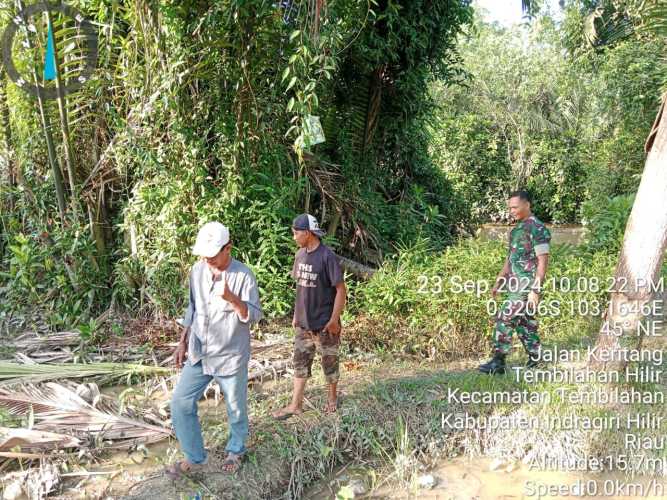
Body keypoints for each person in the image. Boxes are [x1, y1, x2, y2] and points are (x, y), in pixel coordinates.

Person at [165, 222, 263, 477]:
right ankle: (196, 457)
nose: (207, 261)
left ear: (228, 248)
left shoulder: (243, 276)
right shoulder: (197, 271)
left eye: (212, 256)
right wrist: (183, 342)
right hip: (200, 351)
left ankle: (236, 449)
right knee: (180, 402)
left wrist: (231, 297)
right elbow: (192, 308)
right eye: (204, 256)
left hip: (230, 354)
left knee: (235, 407)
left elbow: (253, 316)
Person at [272, 214, 347, 420]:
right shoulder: (300, 256)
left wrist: (334, 320)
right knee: (300, 363)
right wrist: (296, 315)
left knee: (329, 362)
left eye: (296, 232)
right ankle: (295, 405)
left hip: (324, 324)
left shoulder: (327, 257)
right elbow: (300, 287)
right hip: (304, 324)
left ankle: (332, 399)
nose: (294, 236)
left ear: (308, 233)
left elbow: (340, 290)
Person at [479, 190, 551, 375]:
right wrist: (499, 280)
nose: (511, 210)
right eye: (509, 207)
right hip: (513, 284)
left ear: (527, 205)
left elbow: (543, 260)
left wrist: (536, 289)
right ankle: (537, 360)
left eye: (515, 207)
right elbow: (510, 258)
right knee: (524, 323)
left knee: (505, 317)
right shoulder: (516, 229)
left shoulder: (537, 228)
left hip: (526, 285)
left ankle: (498, 362)